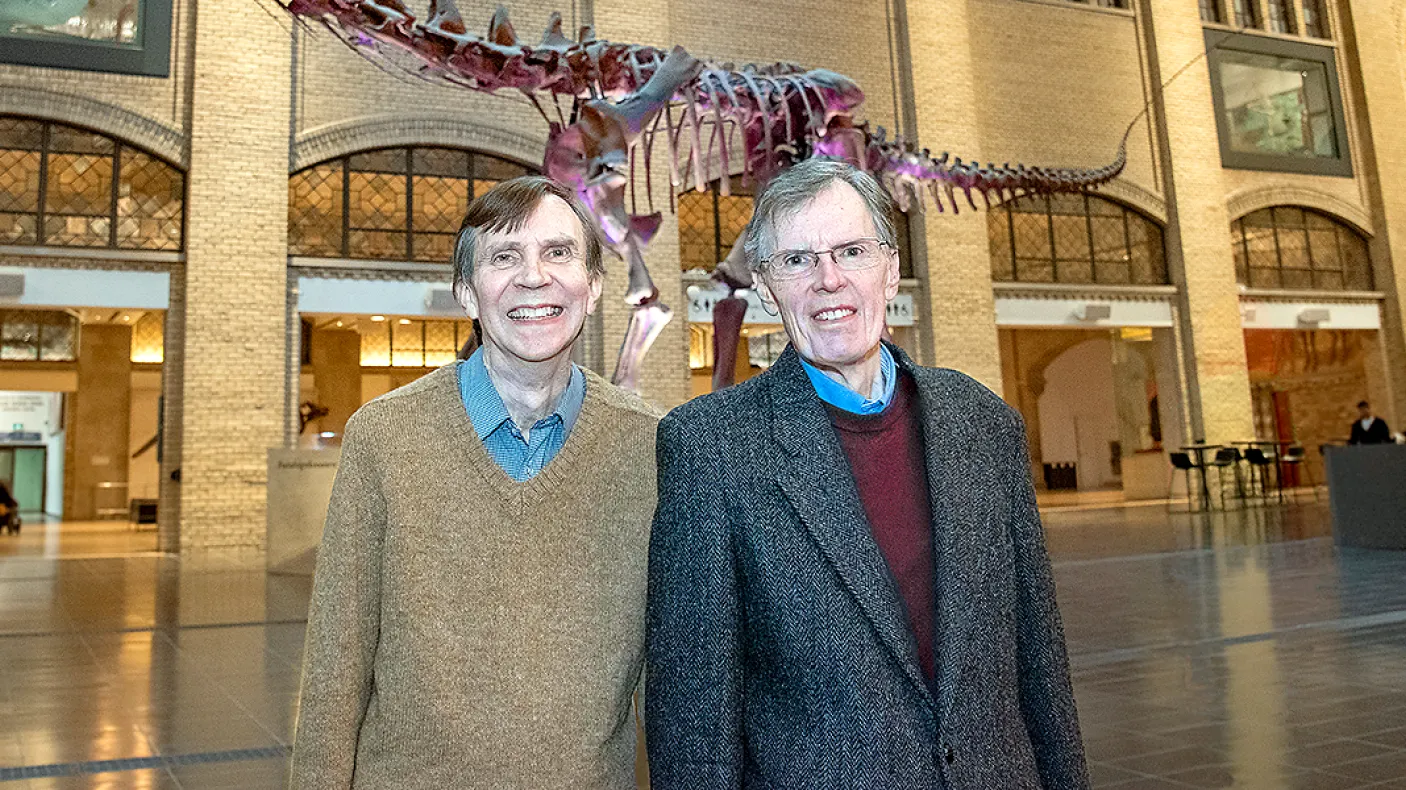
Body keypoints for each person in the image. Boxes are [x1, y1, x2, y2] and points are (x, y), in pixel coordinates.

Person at [646, 159, 1088, 789]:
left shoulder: (985, 425)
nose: (828, 280)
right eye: (797, 260)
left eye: (851, 251)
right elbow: (696, 716)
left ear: (890, 269)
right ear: (767, 289)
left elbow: (1040, 663)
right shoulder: (712, 447)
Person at [291, 176, 660, 790]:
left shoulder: (650, 446)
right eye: (503, 256)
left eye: (558, 252)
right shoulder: (384, 438)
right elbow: (336, 666)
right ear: (468, 292)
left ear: (594, 287)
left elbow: (675, 680)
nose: (533, 276)